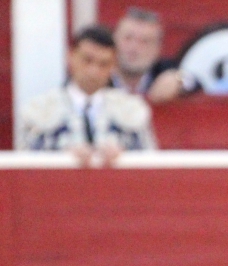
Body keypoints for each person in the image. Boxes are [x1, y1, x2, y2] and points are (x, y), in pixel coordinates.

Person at [18, 25, 156, 163]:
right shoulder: (39, 109)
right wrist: (63, 156)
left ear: (113, 65)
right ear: (70, 57)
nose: (94, 71)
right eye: (87, 60)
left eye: (103, 64)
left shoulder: (132, 109)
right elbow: (27, 163)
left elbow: (148, 161)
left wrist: (124, 156)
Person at [111, 7, 190, 104]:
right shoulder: (98, 71)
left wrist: (178, 80)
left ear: (158, 49)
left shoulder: (163, 69)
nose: (134, 48)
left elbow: (195, 82)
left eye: (145, 41)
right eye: (128, 38)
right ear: (113, 40)